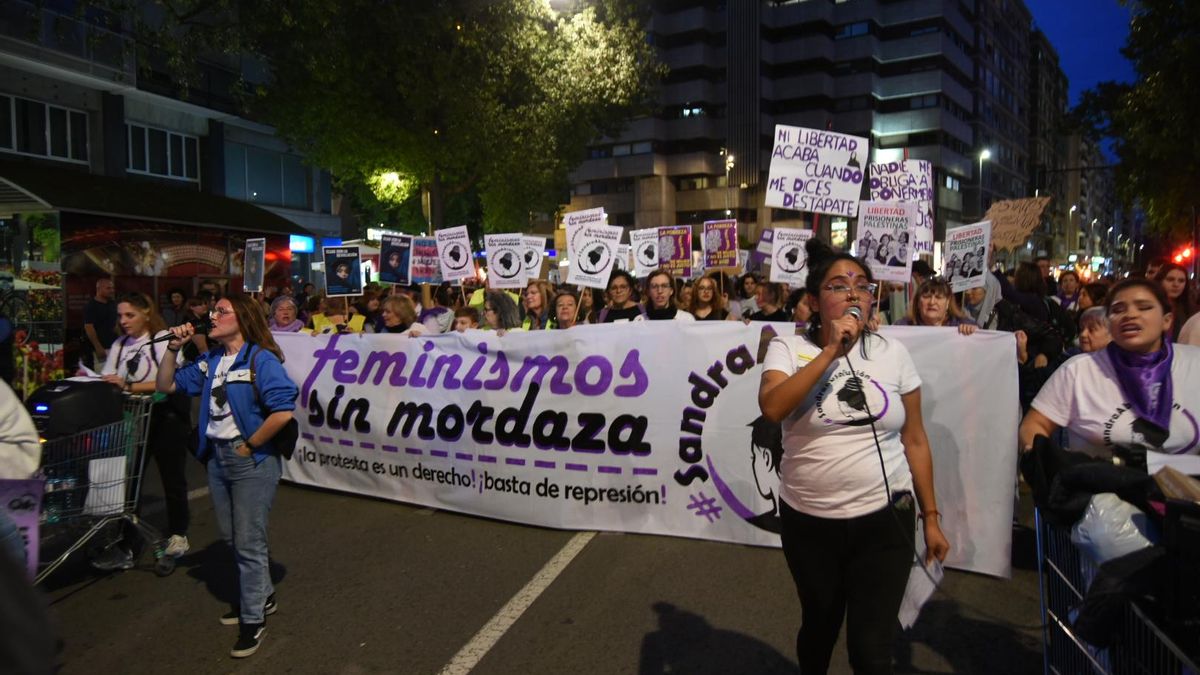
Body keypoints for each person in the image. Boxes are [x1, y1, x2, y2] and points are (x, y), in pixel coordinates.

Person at [758, 238, 948, 674]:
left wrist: (932, 517)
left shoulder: (893, 352)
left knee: (870, 648)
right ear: (813, 300)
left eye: (862, 285)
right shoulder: (788, 350)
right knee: (820, 626)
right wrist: (830, 352)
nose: (853, 293)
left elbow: (915, 439)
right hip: (810, 522)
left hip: (886, 518)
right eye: (839, 285)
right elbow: (772, 407)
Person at [156, 293, 298, 659]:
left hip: (251, 461)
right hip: (217, 460)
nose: (212, 315)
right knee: (233, 538)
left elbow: (282, 411)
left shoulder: (260, 359)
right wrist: (173, 348)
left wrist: (251, 445)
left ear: (243, 318)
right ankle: (262, 596)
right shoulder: (211, 359)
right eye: (213, 310)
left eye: (222, 311)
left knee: (248, 542)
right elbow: (166, 386)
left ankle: (253, 620)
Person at [1021, 278, 1200, 461]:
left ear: (1167, 320)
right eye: (1118, 309)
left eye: (1144, 307)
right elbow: (1033, 426)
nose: (1130, 314)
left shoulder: (1195, 364)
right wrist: (1055, 469)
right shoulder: (1079, 371)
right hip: (1101, 487)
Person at [91, 293, 191, 571]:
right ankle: (128, 545)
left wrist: (128, 386)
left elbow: (169, 381)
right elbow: (112, 379)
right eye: (120, 316)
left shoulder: (162, 341)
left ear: (146, 312)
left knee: (173, 480)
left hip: (166, 418)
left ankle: (178, 533)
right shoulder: (120, 346)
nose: (123, 322)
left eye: (130, 315)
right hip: (134, 419)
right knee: (130, 486)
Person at [895, 277, 978, 335]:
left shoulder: (961, 324)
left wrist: (973, 332)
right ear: (917, 303)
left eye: (938, 297)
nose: (932, 302)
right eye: (926, 297)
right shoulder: (902, 326)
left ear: (947, 303)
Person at [82, 278, 118, 370]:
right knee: (103, 375)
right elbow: (89, 327)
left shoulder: (113, 304)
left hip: (116, 347)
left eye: (112, 288)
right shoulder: (91, 306)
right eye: (108, 288)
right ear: (99, 289)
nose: (112, 291)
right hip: (102, 348)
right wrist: (98, 347)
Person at [1155, 263, 1195, 341]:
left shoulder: (1190, 310)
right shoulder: (1149, 307)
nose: (1176, 284)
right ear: (1160, 281)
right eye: (1170, 279)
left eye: (1181, 281)